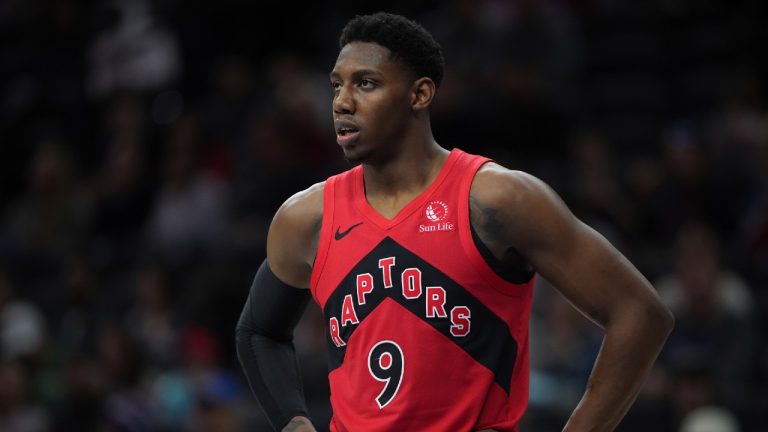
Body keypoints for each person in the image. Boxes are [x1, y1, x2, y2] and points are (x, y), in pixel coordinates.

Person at [235, 12, 674, 432]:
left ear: (420, 94)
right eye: (337, 86)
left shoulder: (497, 199)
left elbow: (640, 313)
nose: (342, 102)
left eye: (365, 84)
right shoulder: (307, 217)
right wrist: (294, 424)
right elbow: (258, 332)